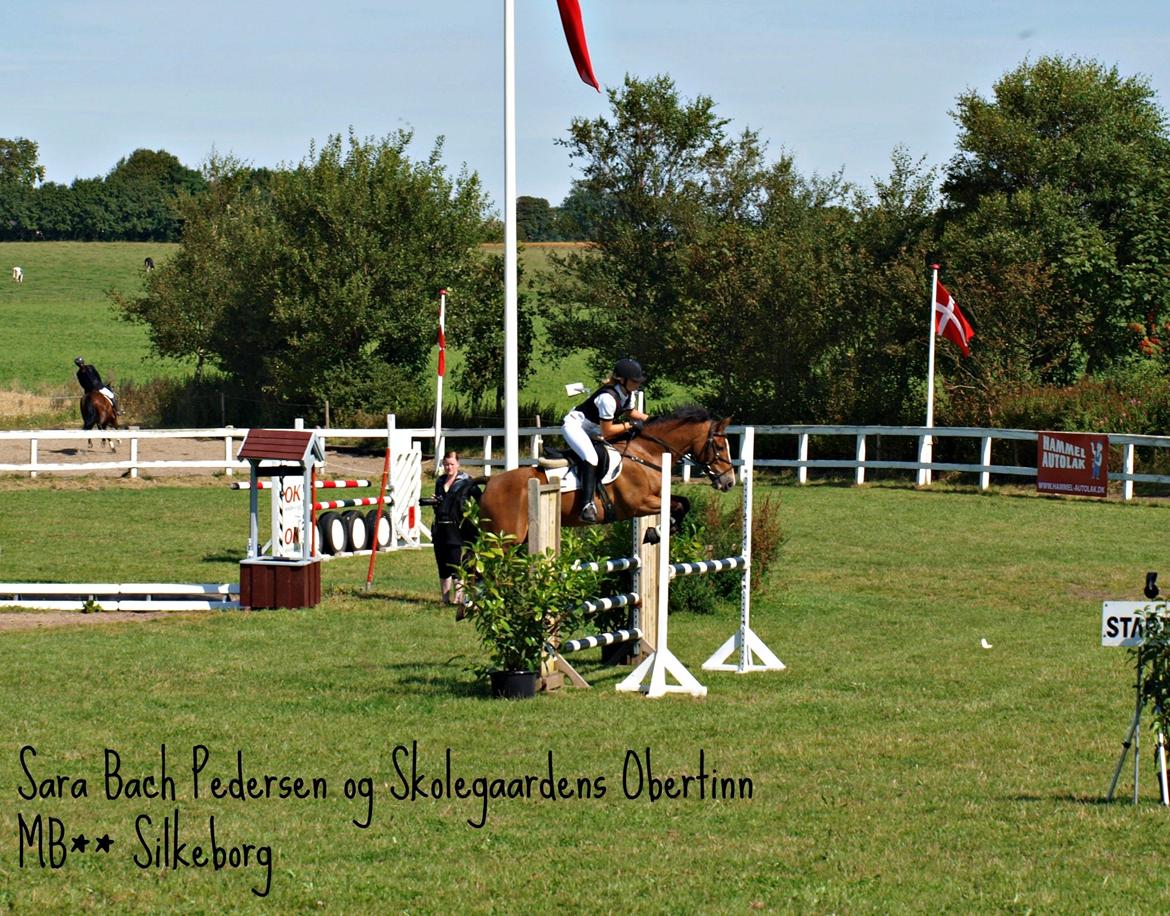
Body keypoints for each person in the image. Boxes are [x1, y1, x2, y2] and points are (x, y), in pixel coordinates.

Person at [562, 357, 650, 522]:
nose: (638, 384)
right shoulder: (608, 398)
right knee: (591, 457)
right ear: (622, 380)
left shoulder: (628, 394)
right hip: (575, 427)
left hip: (592, 428)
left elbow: (632, 412)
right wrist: (630, 425)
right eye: (634, 381)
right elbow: (608, 431)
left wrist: (654, 420)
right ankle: (586, 505)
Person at [425, 451, 481, 606]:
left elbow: (480, 499)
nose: (449, 467)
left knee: (455, 562)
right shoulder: (440, 481)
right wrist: (435, 502)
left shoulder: (467, 481)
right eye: (446, 464)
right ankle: (444, 598)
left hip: (456, 527)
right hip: (440, 526)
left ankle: (459, 596)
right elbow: (440, 503)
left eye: (451, 464)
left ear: (458, 464)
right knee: (442, 563)